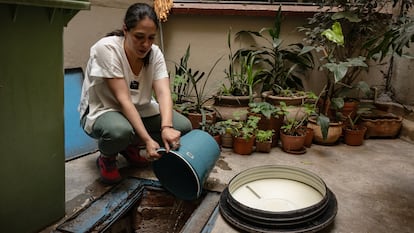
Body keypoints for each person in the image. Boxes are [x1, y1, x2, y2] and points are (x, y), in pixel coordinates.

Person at [78, 2, 192, 184]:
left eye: (151, 38)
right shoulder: (107, 49)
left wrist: (167, 127)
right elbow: (123, 99)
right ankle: (107, 157)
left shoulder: (154, 53)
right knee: (119, 132)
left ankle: (130, 145)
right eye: (139, 37)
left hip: (140, 110)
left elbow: (163, 92)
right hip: (104, 110)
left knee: (183, 127)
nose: (145, 44)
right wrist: (147, 139)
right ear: (125, 29)